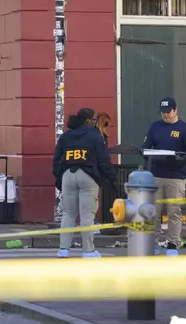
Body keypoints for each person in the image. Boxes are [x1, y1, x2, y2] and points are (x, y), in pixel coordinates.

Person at [52, 108, 116, 259]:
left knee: (68, 214)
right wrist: (111, 178)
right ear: (88, 120)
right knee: (87, 215)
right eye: (93, 120)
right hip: (88, 176)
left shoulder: (66, 137)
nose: (95, 122)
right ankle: (88, 250)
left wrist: (60, 179)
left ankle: (63, 250)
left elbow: (56, 161)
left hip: (68, 175)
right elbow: (103, 160)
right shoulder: (95, 136)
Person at [141, 97, 186, 256]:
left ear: (175, 110)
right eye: (163, 112)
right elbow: (146, 147)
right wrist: (146, 154)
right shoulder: (155, 127)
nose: (165, 115)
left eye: (168, 112)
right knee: (154, 212)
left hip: (176, 176)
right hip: (156, 175)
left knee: (174, 211)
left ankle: (173, 244)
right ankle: (153, 244)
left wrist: (180, 159)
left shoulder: (185, 128)